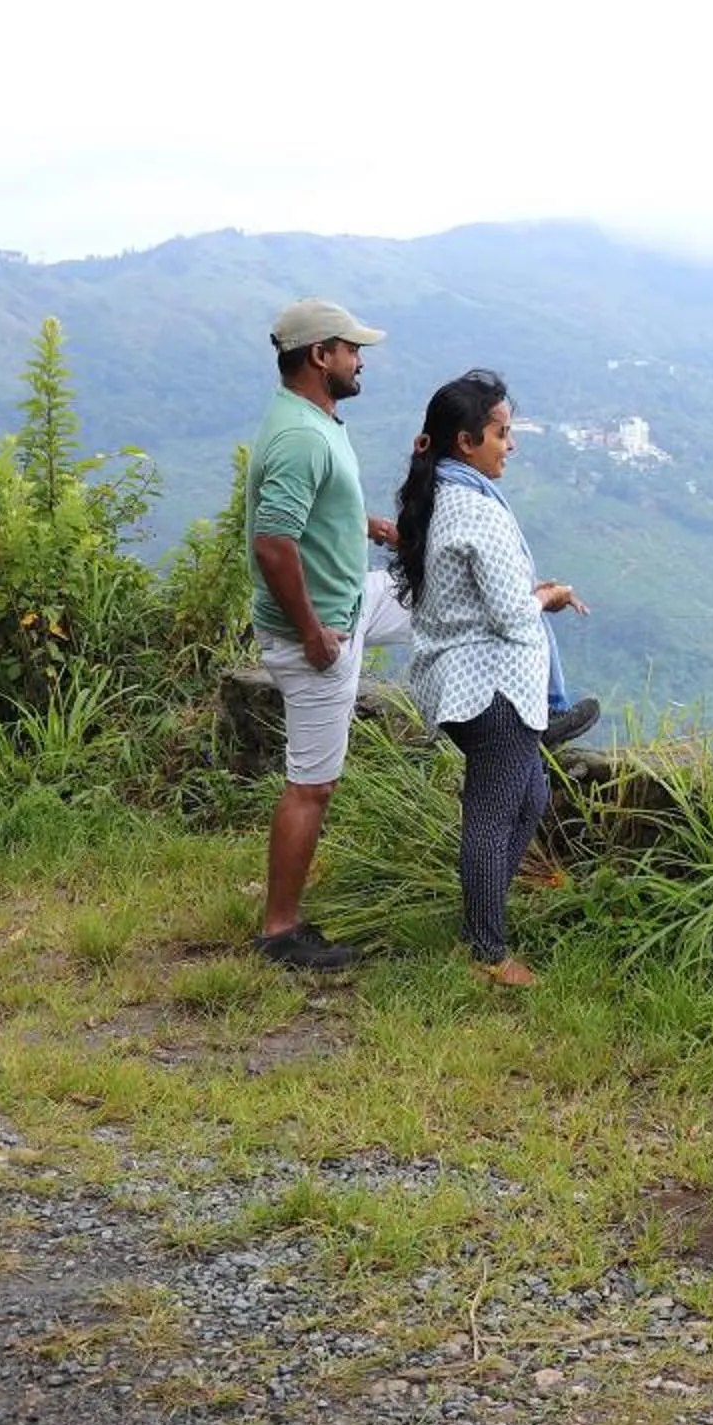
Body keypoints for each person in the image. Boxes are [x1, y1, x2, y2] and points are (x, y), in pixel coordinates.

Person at [393, 370, 593, 987]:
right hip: (493, 688)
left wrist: (529, 597)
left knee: (530, 798)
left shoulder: (443, 498)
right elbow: (509, 613)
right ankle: (486, 952)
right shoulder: (476, 511)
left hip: (465, 680)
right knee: (491, 815)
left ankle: (481, 923)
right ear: (466, 442)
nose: (511, 445)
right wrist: (548, 597)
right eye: (502, 433)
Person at [246, 297, 412, 972]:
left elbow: (310, 513)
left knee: (448, 605)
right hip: (321, 630)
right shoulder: (302, 437)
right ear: (321, 355)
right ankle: (280, 931)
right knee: (311, 785)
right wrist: (315, 634)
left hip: (352, 600)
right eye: (351, 348)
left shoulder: (314, 420)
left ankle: (521, 712)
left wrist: (363, 524)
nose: (360, 358)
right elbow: (273, 544)